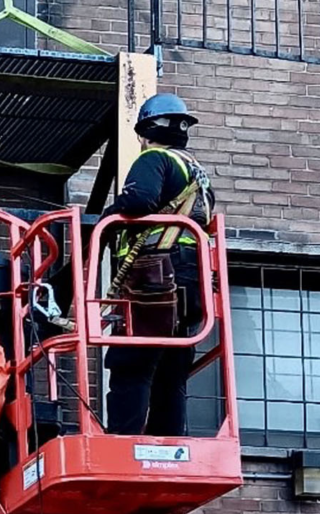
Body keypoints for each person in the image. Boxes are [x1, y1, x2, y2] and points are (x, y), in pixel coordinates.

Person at [101, 93, 215, 437]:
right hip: (192, 282)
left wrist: (107, 218)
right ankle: (169, 445)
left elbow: (138, 200)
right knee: (170, 368)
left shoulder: (154, 158)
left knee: (131, 364)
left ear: (145, 131)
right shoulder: (197, 172)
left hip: (157, 279)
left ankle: (122, 445)